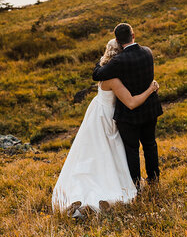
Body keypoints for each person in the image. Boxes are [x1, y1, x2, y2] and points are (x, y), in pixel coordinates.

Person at [52, 38, 159, 215]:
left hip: (96, 112)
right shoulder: (114, 78)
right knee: (109, 151)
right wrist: (151, 89)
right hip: (108, 117)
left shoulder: (103, 70)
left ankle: (83, 191)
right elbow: (131, 102)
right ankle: (98, 196)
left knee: (94, 152)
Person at [92, 23, 163, 189]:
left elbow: (97, 75)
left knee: (132, 150)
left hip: (129, 116)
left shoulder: (118, 61)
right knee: (150, 145)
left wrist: (102, 60)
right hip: (150, 109)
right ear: (133, 35)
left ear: (117, 40)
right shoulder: (147, 52)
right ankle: (154, 180)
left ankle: (136, 186)